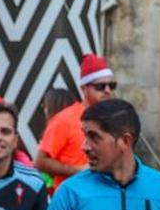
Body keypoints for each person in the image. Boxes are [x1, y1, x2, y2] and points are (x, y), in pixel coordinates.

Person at [35, 54, 117, 194]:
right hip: (71, 200)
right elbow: (40, 161)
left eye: (111, 85)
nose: (107, 90)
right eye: (100, 86)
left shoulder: (115, 119)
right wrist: (78, 170)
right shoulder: (65, 119)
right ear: (84, 89)